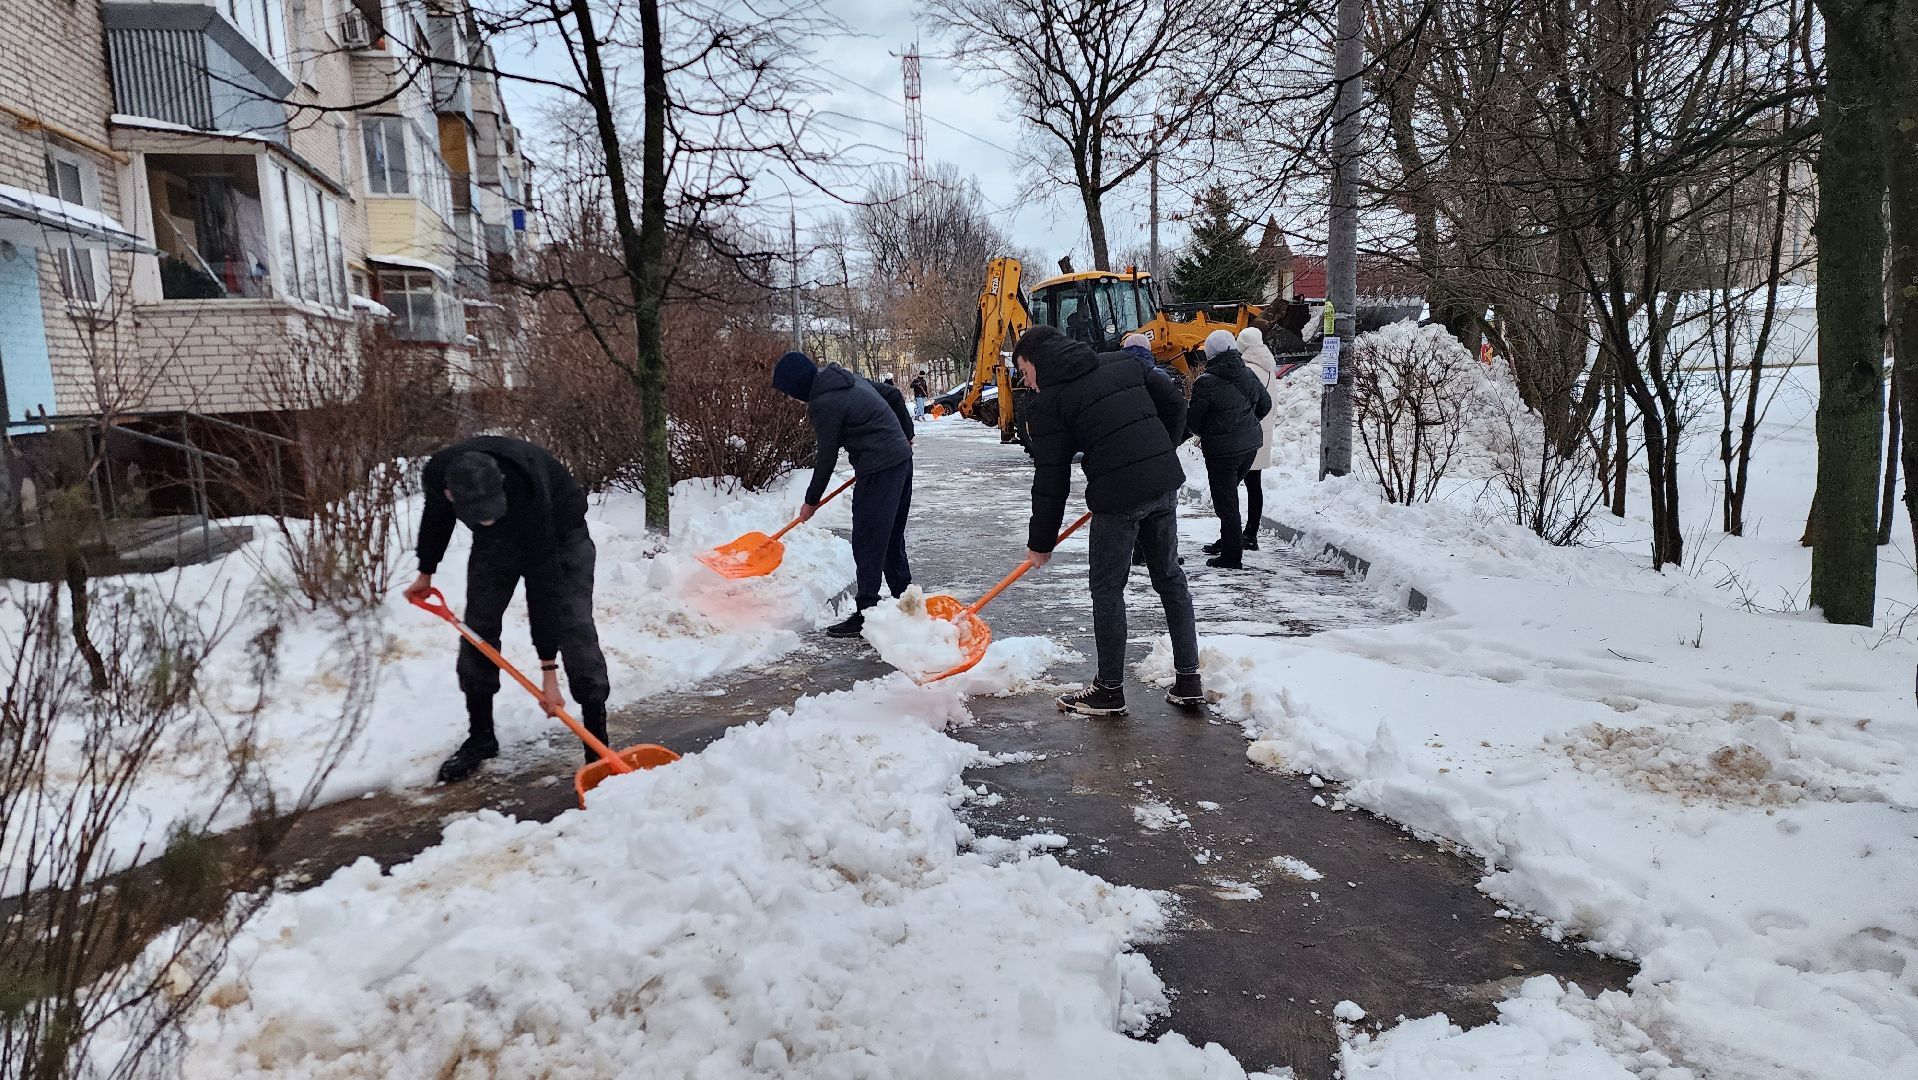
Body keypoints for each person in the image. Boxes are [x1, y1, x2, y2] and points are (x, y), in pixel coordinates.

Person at [1014, 325, 1203, 717]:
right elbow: (1174, 402)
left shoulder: (1050, 403)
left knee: (1107, 589)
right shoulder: (1123, 364)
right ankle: (1189, 682)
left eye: (1024, 371)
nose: (1026, 382)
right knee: (1169, 578)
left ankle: (1109, 691)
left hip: (1118, 499)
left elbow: (1051, 477)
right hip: (1163, 485)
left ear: (1036, 361)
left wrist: (1041, 542)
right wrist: (1156, 452)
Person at [404, 436, 609, 783]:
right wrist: (426, 572)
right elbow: (437, 517)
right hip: (495, 545)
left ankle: (597, 744)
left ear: (499, 483)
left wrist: (548, 672)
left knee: (573, 625)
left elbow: (545, 588)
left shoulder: (528, 488)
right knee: (477, 629)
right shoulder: (441, 474)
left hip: (559, 535)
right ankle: (481, 737)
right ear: (454, 495)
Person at [772, 351, 915, 637]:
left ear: (796, 386)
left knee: (867, 539)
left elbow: (825, 458)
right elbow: (893, 395)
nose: (792, 400)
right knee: (888, 536)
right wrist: (906, 434)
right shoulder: (846, 379)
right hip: (900, 461)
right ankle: (906, 603)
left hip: (879, 469)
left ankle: (866, 614)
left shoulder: (824, 402)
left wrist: (811, 501)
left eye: (789, 394)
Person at [1184, 329, 1271, 569]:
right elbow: (1265, 404)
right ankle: (1230, 544)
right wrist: (1245, 424)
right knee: (1228, 497)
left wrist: (1217, 431)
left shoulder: (1206, 383)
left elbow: (1193, 422)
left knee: (1226, 503)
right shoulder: (1247, 374)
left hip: (1223, 453)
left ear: (1210, 353)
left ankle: (1232, 556)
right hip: (1249, 447)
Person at [1231, 325, 1280, 553]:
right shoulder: (1269, 367)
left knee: (1230, 487)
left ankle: (1232, 535)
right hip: (1263, 432)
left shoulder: (1246, 369)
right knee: (1254, 485)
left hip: (1244, 433)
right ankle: (1251, 533)